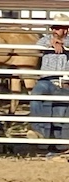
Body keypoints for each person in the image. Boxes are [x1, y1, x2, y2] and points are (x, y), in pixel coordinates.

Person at [27, 13, 69, 151]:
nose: (54, 31)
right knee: (36, 95)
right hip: (46, 80)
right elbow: (38, 44)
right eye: (54, 27)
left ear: (66, 29)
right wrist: (52, 43)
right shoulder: (46, 40)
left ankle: (58, 147)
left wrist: (62, 43)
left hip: (64, 83)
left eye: (58, 28)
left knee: (60, 114)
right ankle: (39, 133)